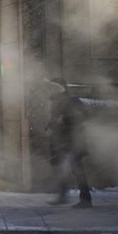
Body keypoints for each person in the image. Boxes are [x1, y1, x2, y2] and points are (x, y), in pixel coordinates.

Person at [45, 78, 93, 209]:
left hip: (74, 141)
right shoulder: (56, 102)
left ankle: (85, 198)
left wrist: (65, 121)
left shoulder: (72, 101)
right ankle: (63, 195)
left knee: (77, 169)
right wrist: (49, 127)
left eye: (54, 87)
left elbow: (82, 118)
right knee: (60, 168)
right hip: (62, 141)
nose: (51, 89)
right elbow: (54, 119)